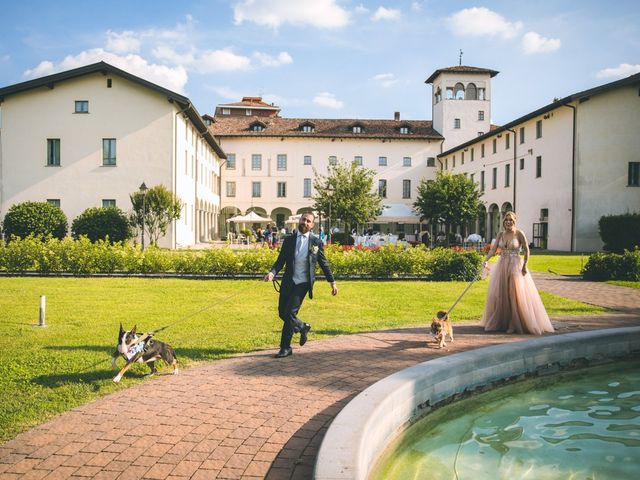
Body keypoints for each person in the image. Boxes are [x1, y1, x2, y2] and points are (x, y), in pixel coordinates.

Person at [264, 212, 338, 358]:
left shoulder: (316, 242)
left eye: (308, 221)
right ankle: (303, 327)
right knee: (282, 313)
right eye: (304, 219)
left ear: (312, 225)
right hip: (288, 281)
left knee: (290, 313)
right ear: (300, 220)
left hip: (303, 283)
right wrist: (272, 273)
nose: (305, 222)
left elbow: (323, 263)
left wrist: (332, 282)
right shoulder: (289, 240)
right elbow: (280, 261)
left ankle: (285, 347)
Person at [480, 211, 554, 335]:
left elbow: (526, 249)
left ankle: (514, 324)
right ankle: (502, 322)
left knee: (514, 293)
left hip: (516, 265)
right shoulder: (500, 234)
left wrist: (525, 265)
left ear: (515, 221)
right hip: (502, 265)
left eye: (511, 220)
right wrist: (485, 260)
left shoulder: (519, 233)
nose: (508, 222)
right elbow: (493, 250)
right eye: (506, 220)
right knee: (501, 294)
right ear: (503, 221)